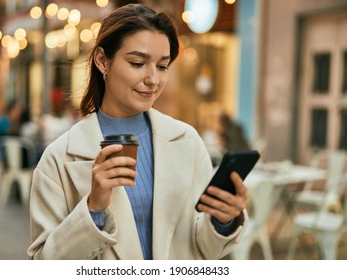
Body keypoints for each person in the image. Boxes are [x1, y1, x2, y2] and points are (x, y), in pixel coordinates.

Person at [27, 3, 248, 260]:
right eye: (137, 63)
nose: (153, 79)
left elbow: (203, 250)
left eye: (162, 66)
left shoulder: (187, 142)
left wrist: (223, 220)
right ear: (102, 61)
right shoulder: (58, 158)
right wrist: (94, 208)